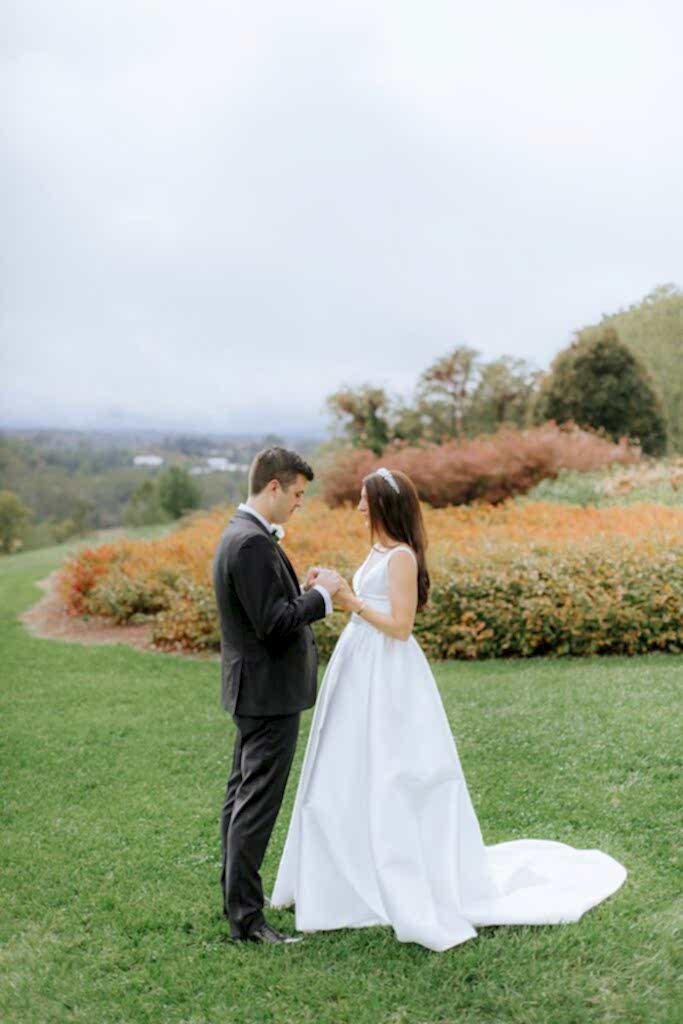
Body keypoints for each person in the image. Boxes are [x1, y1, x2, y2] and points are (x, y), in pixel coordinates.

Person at [269, 466, 627, 952]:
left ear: (381, 505)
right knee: (343, 768)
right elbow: (368, 602)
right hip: (358, 667)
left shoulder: (401, 556)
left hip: (387, 672)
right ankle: (337, 873)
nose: (357, 506)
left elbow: (399, 627)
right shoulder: (377, 550)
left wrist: (348, 598)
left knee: (393, 772)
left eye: (363, 499)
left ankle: (394, 871)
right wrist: (333, 585)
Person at [212, 446, 343, 945]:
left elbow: (266, 606)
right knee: (255, 804)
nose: (299, 503)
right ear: (273, 487)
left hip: (255, 691)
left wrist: (302, 590)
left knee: (241, 796)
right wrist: (323, 596)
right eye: (297, 493)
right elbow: (273, 624)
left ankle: (237, 897)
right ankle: (246, 920)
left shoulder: (240, 535)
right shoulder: (250, 544)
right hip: (267, 694)